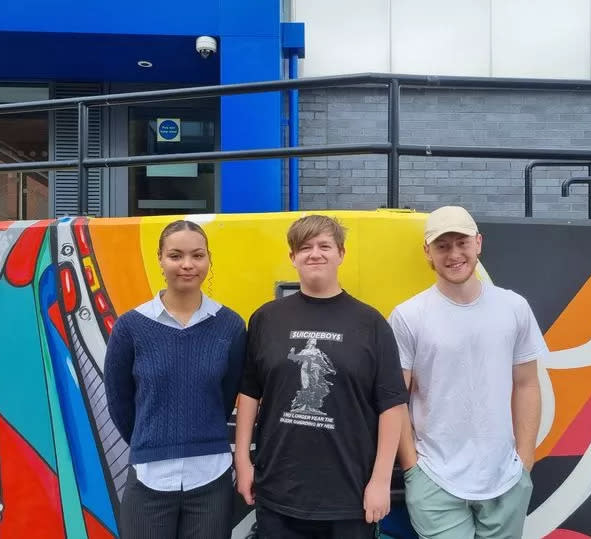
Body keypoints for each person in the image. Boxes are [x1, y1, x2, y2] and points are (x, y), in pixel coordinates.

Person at [235, 214, 408, 539]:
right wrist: (243, 461)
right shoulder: (266, 319)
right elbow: (249, 393)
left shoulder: (370, 324)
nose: (315, 254)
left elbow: (392, 405)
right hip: (277, 493)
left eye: (324, 246)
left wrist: (381, 481)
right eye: (305, 247)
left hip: (350, 498)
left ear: (341, 253)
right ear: (293, 257)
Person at [389, 206, 546, 539]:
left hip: (506, 477)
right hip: (434, 476)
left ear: (478, 243)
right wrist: (411, 468)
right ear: (427, 253)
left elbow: (527, 384)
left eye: (461, 242)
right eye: (443, 246)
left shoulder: (513, 307)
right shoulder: (408, 316)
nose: (454, 254)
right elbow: (395, 398)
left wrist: (525, 462)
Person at [104, 220, 246, 539]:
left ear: (209, 259)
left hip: (211, 478)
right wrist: (151, 439)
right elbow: (119, 402)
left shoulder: (230, 327)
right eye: (176, 255)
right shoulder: (130, 328)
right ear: (160, 259)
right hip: (149, 476)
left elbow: (226, 397)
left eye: (197, 256)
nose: (187, 265)